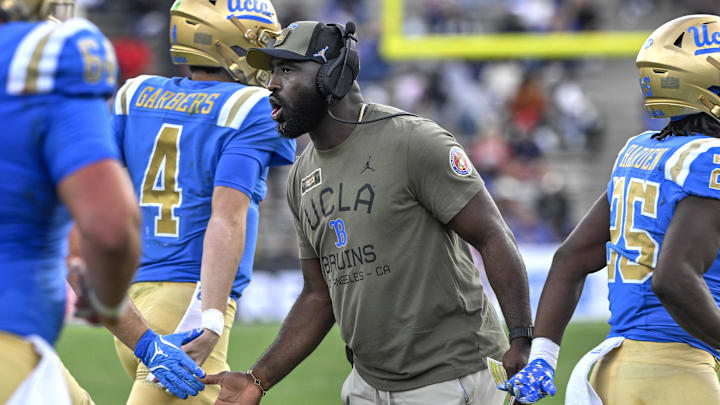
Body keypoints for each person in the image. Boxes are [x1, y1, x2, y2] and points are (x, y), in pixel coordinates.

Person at [203, 20, 533, 405]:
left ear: (333, 76)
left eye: (287, 70)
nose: (271, 84)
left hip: (454, 378)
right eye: (272, 71)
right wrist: (258, 380)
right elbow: (317, 294)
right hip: (367, 385)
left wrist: (522, 340)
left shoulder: (413, 141)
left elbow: (493, 235)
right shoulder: (302, 174)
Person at [500, 14, 720, 405]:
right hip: (677, 373)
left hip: (610, 372)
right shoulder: (710, 160)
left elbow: (571, 258)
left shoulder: (643, 149)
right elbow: (672, 278)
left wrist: (544, 358)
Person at [108, 0, 296, 404]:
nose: (268, 56)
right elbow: (226, 219)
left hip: (129, 304)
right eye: (260, 42)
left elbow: (103, 203)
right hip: (190, 304)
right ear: (228, 42)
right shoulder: (249, 108)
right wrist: (209, 318)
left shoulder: (134, 93)